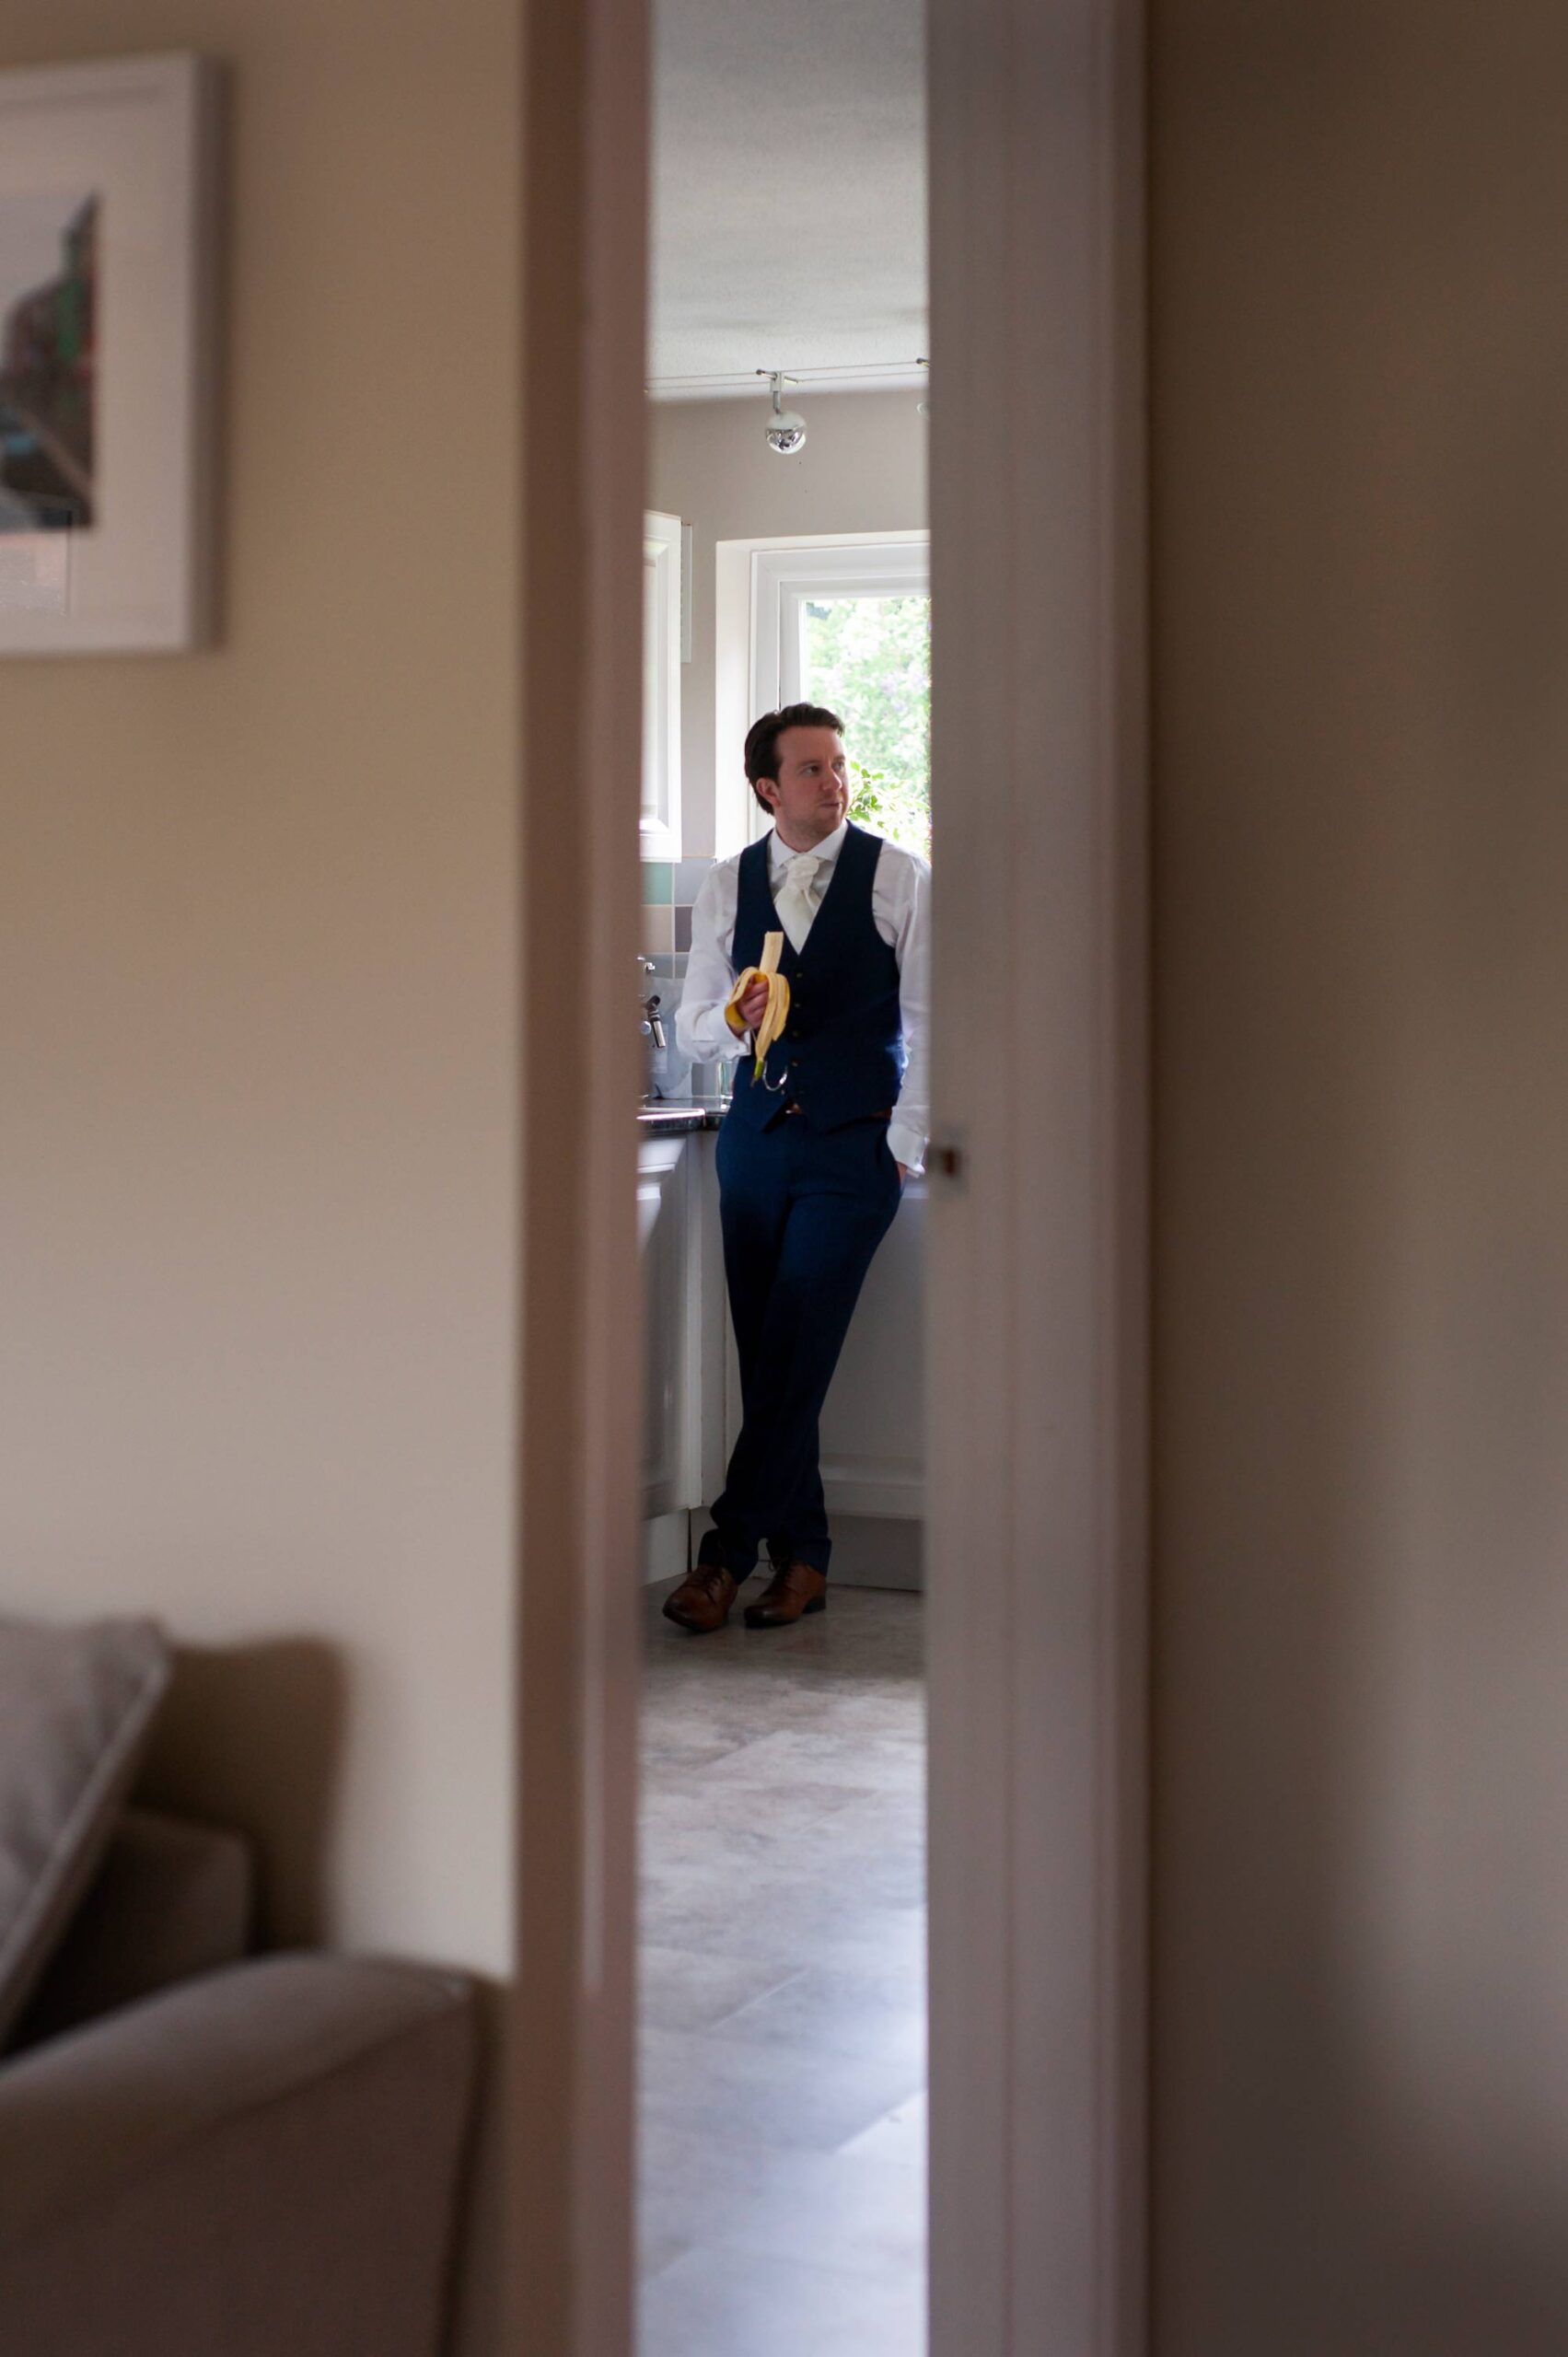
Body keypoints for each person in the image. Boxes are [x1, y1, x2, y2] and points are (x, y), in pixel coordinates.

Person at [665, 702, 930, 1631]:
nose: (833, 780)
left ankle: (723, 1556)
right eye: (811, 769)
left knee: (795, 1343)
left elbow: (933, 1020)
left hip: (852, 1146)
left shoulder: (897, 875)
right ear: (769, 788)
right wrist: (731, 1020)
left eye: (837, 765)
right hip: (754, 1142)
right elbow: (693, 1022)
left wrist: (899, 1145)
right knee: (776, 1360)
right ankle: (803, 1557)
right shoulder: (724, 885)